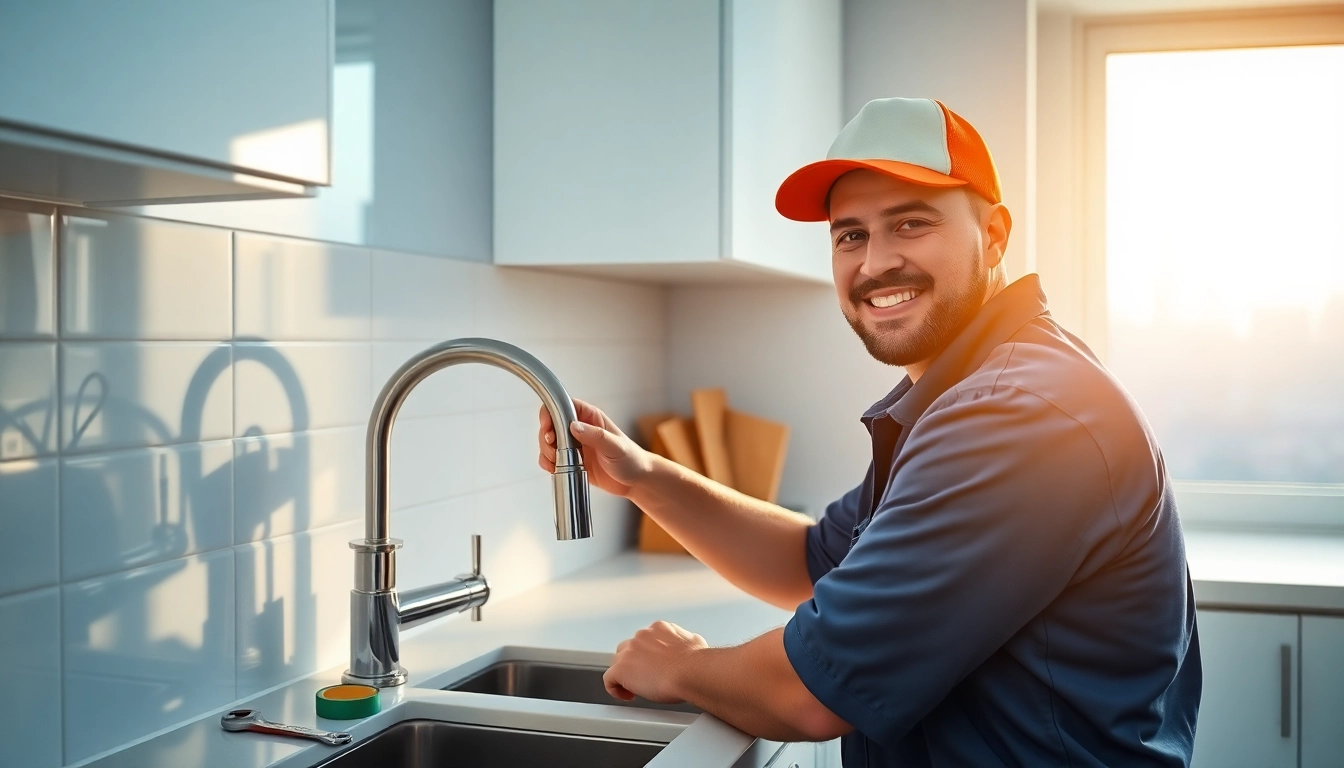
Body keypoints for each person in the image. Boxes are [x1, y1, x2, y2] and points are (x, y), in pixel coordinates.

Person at [536, 97, 1200, 767]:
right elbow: (812, 561)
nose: (875, 263)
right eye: (850, 234)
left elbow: (808, 693)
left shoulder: (1018, 415)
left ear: (994, 235)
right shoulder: (958, 396)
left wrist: (682, 666)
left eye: (910, 223)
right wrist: (644, 477)